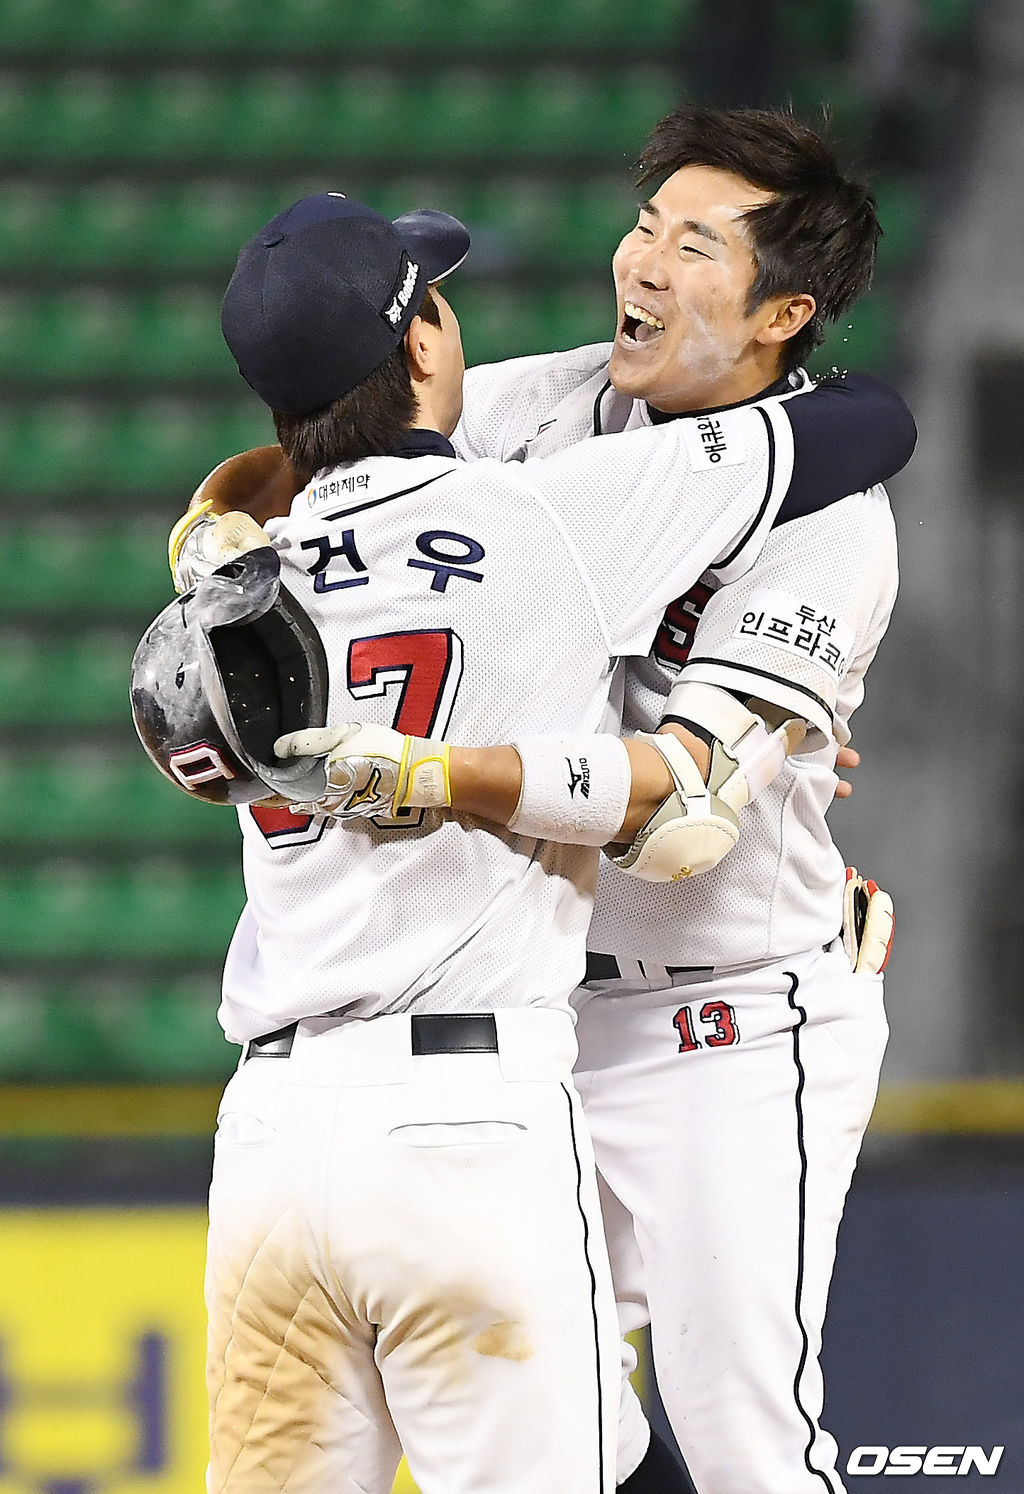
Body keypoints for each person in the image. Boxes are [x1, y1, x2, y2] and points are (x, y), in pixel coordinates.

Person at [146, 191, 913, 1494]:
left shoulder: (230, 587)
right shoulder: (549, 514)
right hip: (465, 1115)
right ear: (422, 346)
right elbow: (866, 425)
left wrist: (213, 525)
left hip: (271, 1129)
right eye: (436, 300)